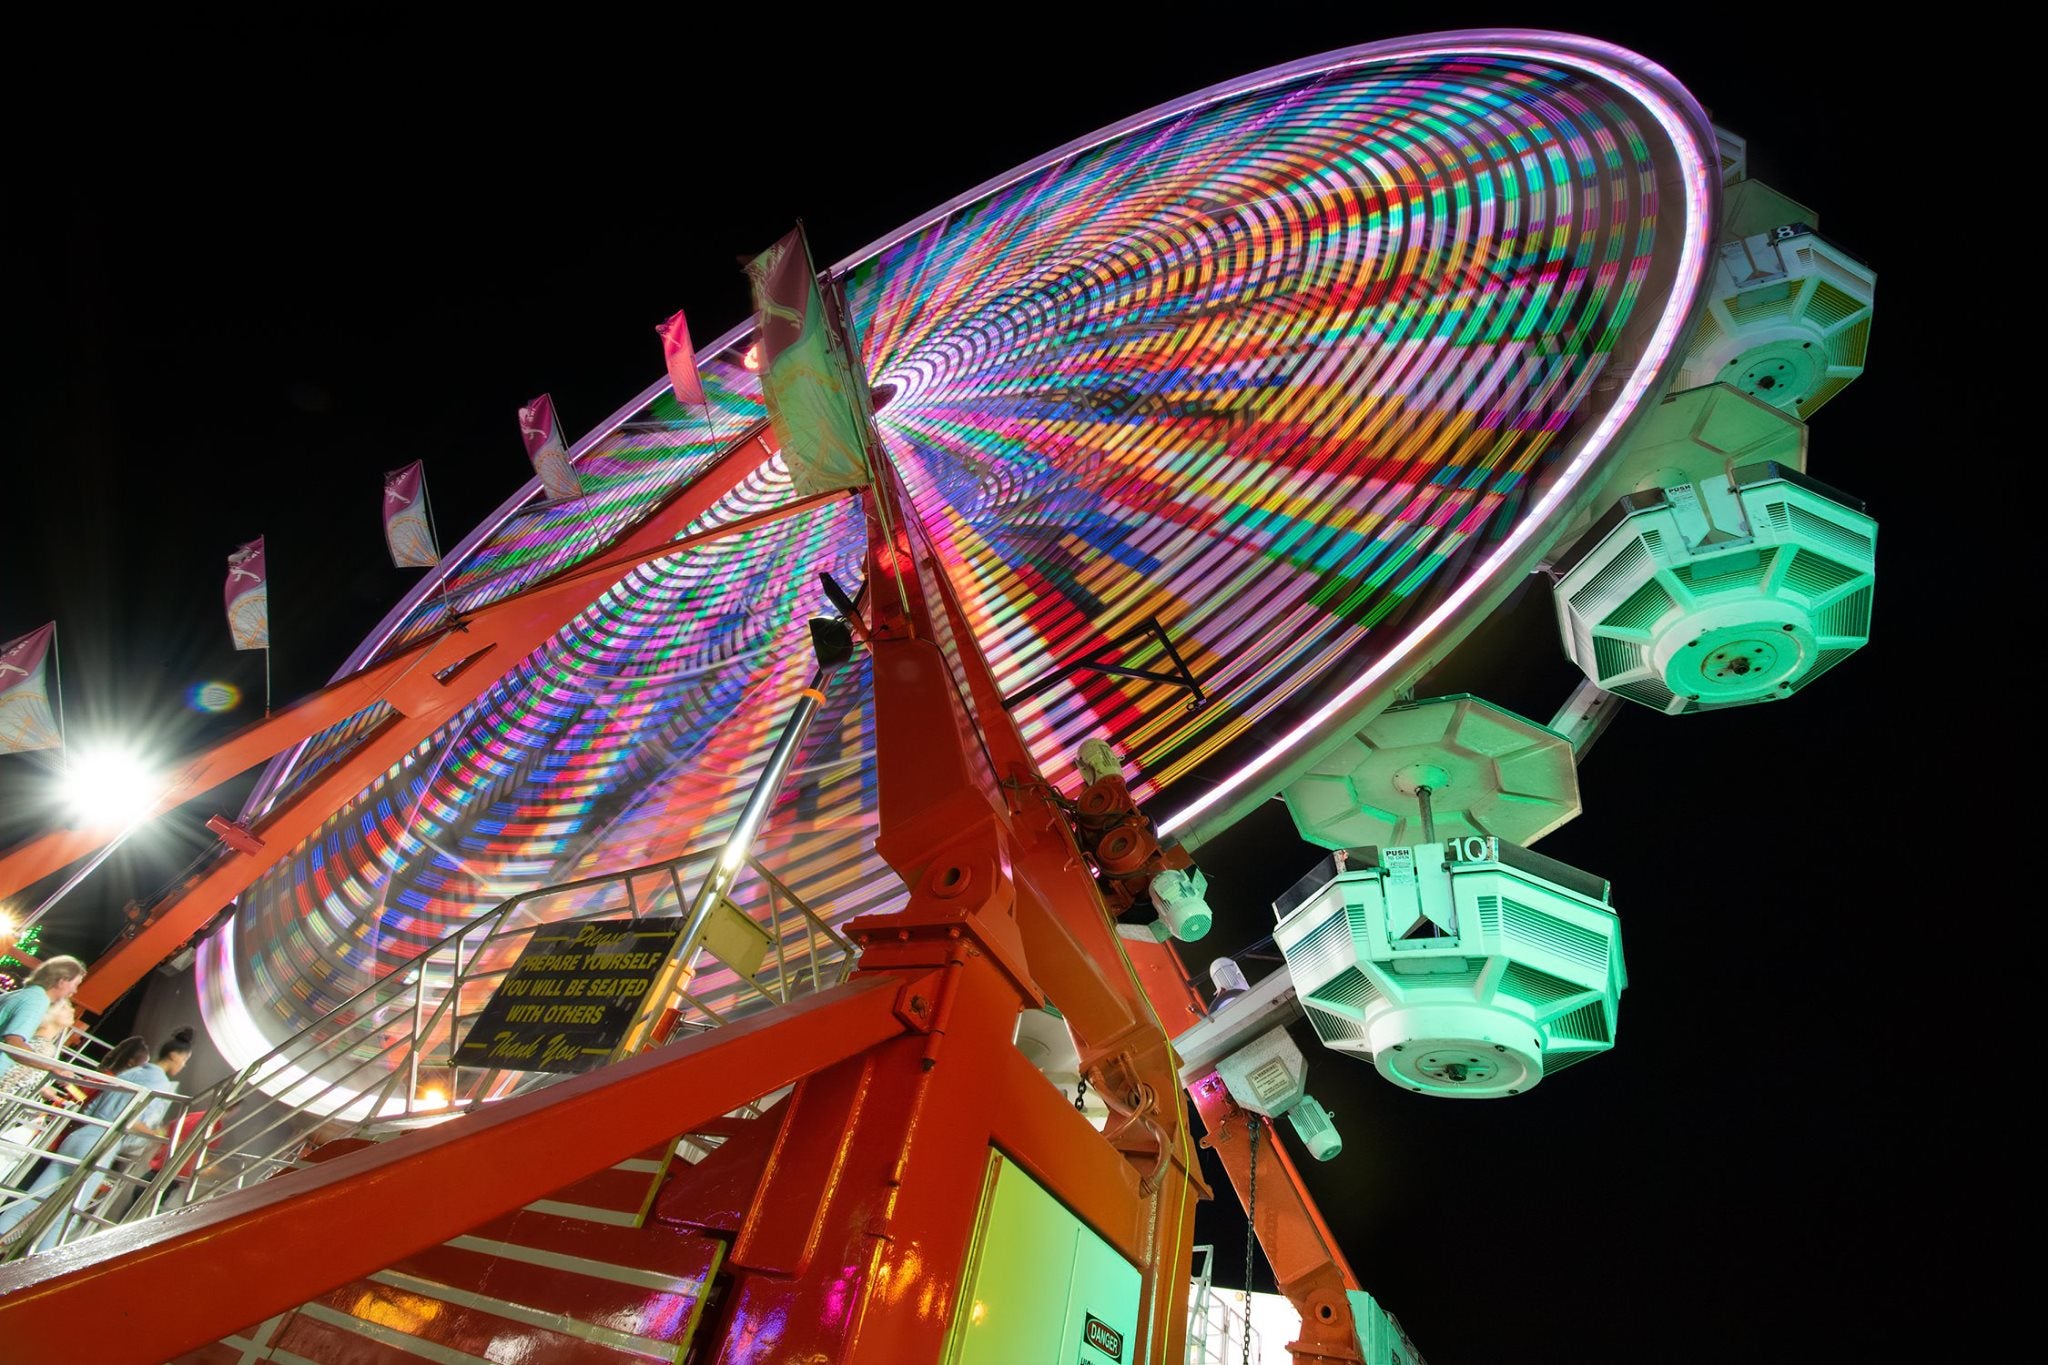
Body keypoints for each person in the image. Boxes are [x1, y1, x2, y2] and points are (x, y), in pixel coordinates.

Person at [0, 1029, 190, 1252]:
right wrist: (157, 1135)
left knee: (33, 1197)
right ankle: (38, 1268)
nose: (184, 1066)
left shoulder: (129, 1073)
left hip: (80, 1135)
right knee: (67, 1214)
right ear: (175, 1056)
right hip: (102, 1144)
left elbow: (91, 1106)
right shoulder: (161, 1087)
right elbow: (132, 1124)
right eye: (185, 1060)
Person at [0, 956, 87, 1049]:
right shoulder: (37, 1001)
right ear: (62, 982)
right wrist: (43, 1063)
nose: (75, 991)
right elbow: (13, 1040)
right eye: (75, 984)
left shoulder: (24, 993)